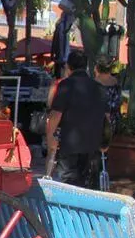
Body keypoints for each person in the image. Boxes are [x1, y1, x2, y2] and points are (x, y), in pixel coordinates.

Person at [46, 49, 108, 188]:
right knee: (90, 187)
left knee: (70, 186)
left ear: (68, 67)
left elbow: (56, 115)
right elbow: (107, 118)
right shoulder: (99, 88)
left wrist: (50, 138)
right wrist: (105, 141)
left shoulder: (66, 85)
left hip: (70, 144)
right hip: (93, 144)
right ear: (86, 66)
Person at [94, 55, 122, 140]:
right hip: (112, 119)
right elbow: (118, 101)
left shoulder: (94, 82)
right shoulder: (116, 82)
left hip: (96, 118)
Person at [51, 0, 75, 79]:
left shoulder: (74, 12)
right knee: (61, 49)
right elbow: (61, 4)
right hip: (62, 29)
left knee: (62, 50)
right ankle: (61, 60)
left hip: (64, 30)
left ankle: (62, 60)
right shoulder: (69, 5)